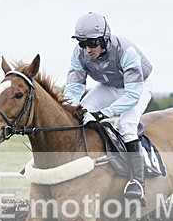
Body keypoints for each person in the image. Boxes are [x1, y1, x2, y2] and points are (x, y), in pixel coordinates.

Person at [63, 12, 153, 205]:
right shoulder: (79, 53)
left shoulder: (126, 51)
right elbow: (74, 88)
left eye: (92, 43)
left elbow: (132, 95)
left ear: (104, 39)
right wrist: (69, 109)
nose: (87, 50)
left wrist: (103, 114)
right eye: (82, 43)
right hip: (109, 86)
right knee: (80, 114)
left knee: (126, 125)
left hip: (137, 87)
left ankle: (138, 182)